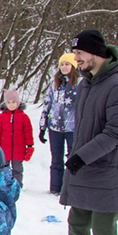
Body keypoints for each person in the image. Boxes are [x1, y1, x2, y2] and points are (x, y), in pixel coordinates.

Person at [47, 29, 118, 235]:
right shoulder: (86, 84)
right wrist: (78, 156)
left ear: (95, 53)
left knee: (104, 227)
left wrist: (82, 156)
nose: (76, 59)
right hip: (84, 165)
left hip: (109, 168)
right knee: (77, 221)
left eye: (80, 54)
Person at [39, 53, 78, 195]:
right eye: (62, 64)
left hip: (73, 127)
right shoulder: (55, 84)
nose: (64, 67)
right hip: (55, 127)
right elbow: (47, 104)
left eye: (67, 64)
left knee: (73, 158)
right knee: (56, 158)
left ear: (73, 66)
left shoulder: (79, 84)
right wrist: (42, 126)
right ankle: (55, 188)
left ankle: (71, 188)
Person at [0, 89, 34, 187]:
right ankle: (4, 185)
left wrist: (30, 146)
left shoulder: (24, 117)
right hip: (4, 150)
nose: (11, 105)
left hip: (19, 149)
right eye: (9, 102)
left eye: (13, 102)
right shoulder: (0, 118)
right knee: (4, 169)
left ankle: (17, 185)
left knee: (17, 169)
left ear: (18, 102)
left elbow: (28, 132)